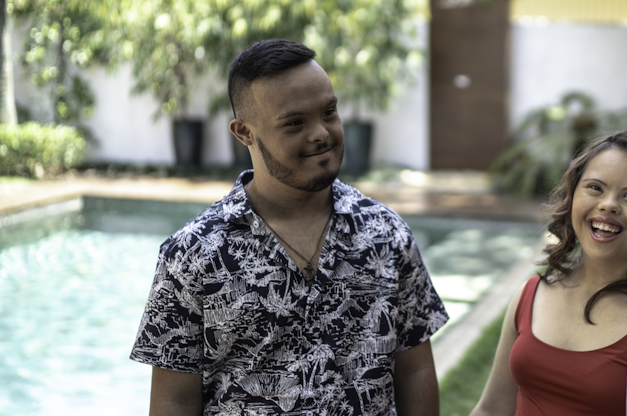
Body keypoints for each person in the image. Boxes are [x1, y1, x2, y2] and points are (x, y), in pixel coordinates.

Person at [130, 39, 448, 415]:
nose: (321, 133)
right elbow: (174, 399)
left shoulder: (387, 235)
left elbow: (414, 370)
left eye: (329, 112)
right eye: (295, 123)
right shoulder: (193, 255)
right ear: (244, 132)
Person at [471, 131, 627, 416]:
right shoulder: (531, 294)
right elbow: (491, 409)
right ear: (572, 196)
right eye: (595, 188)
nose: (608, 204)